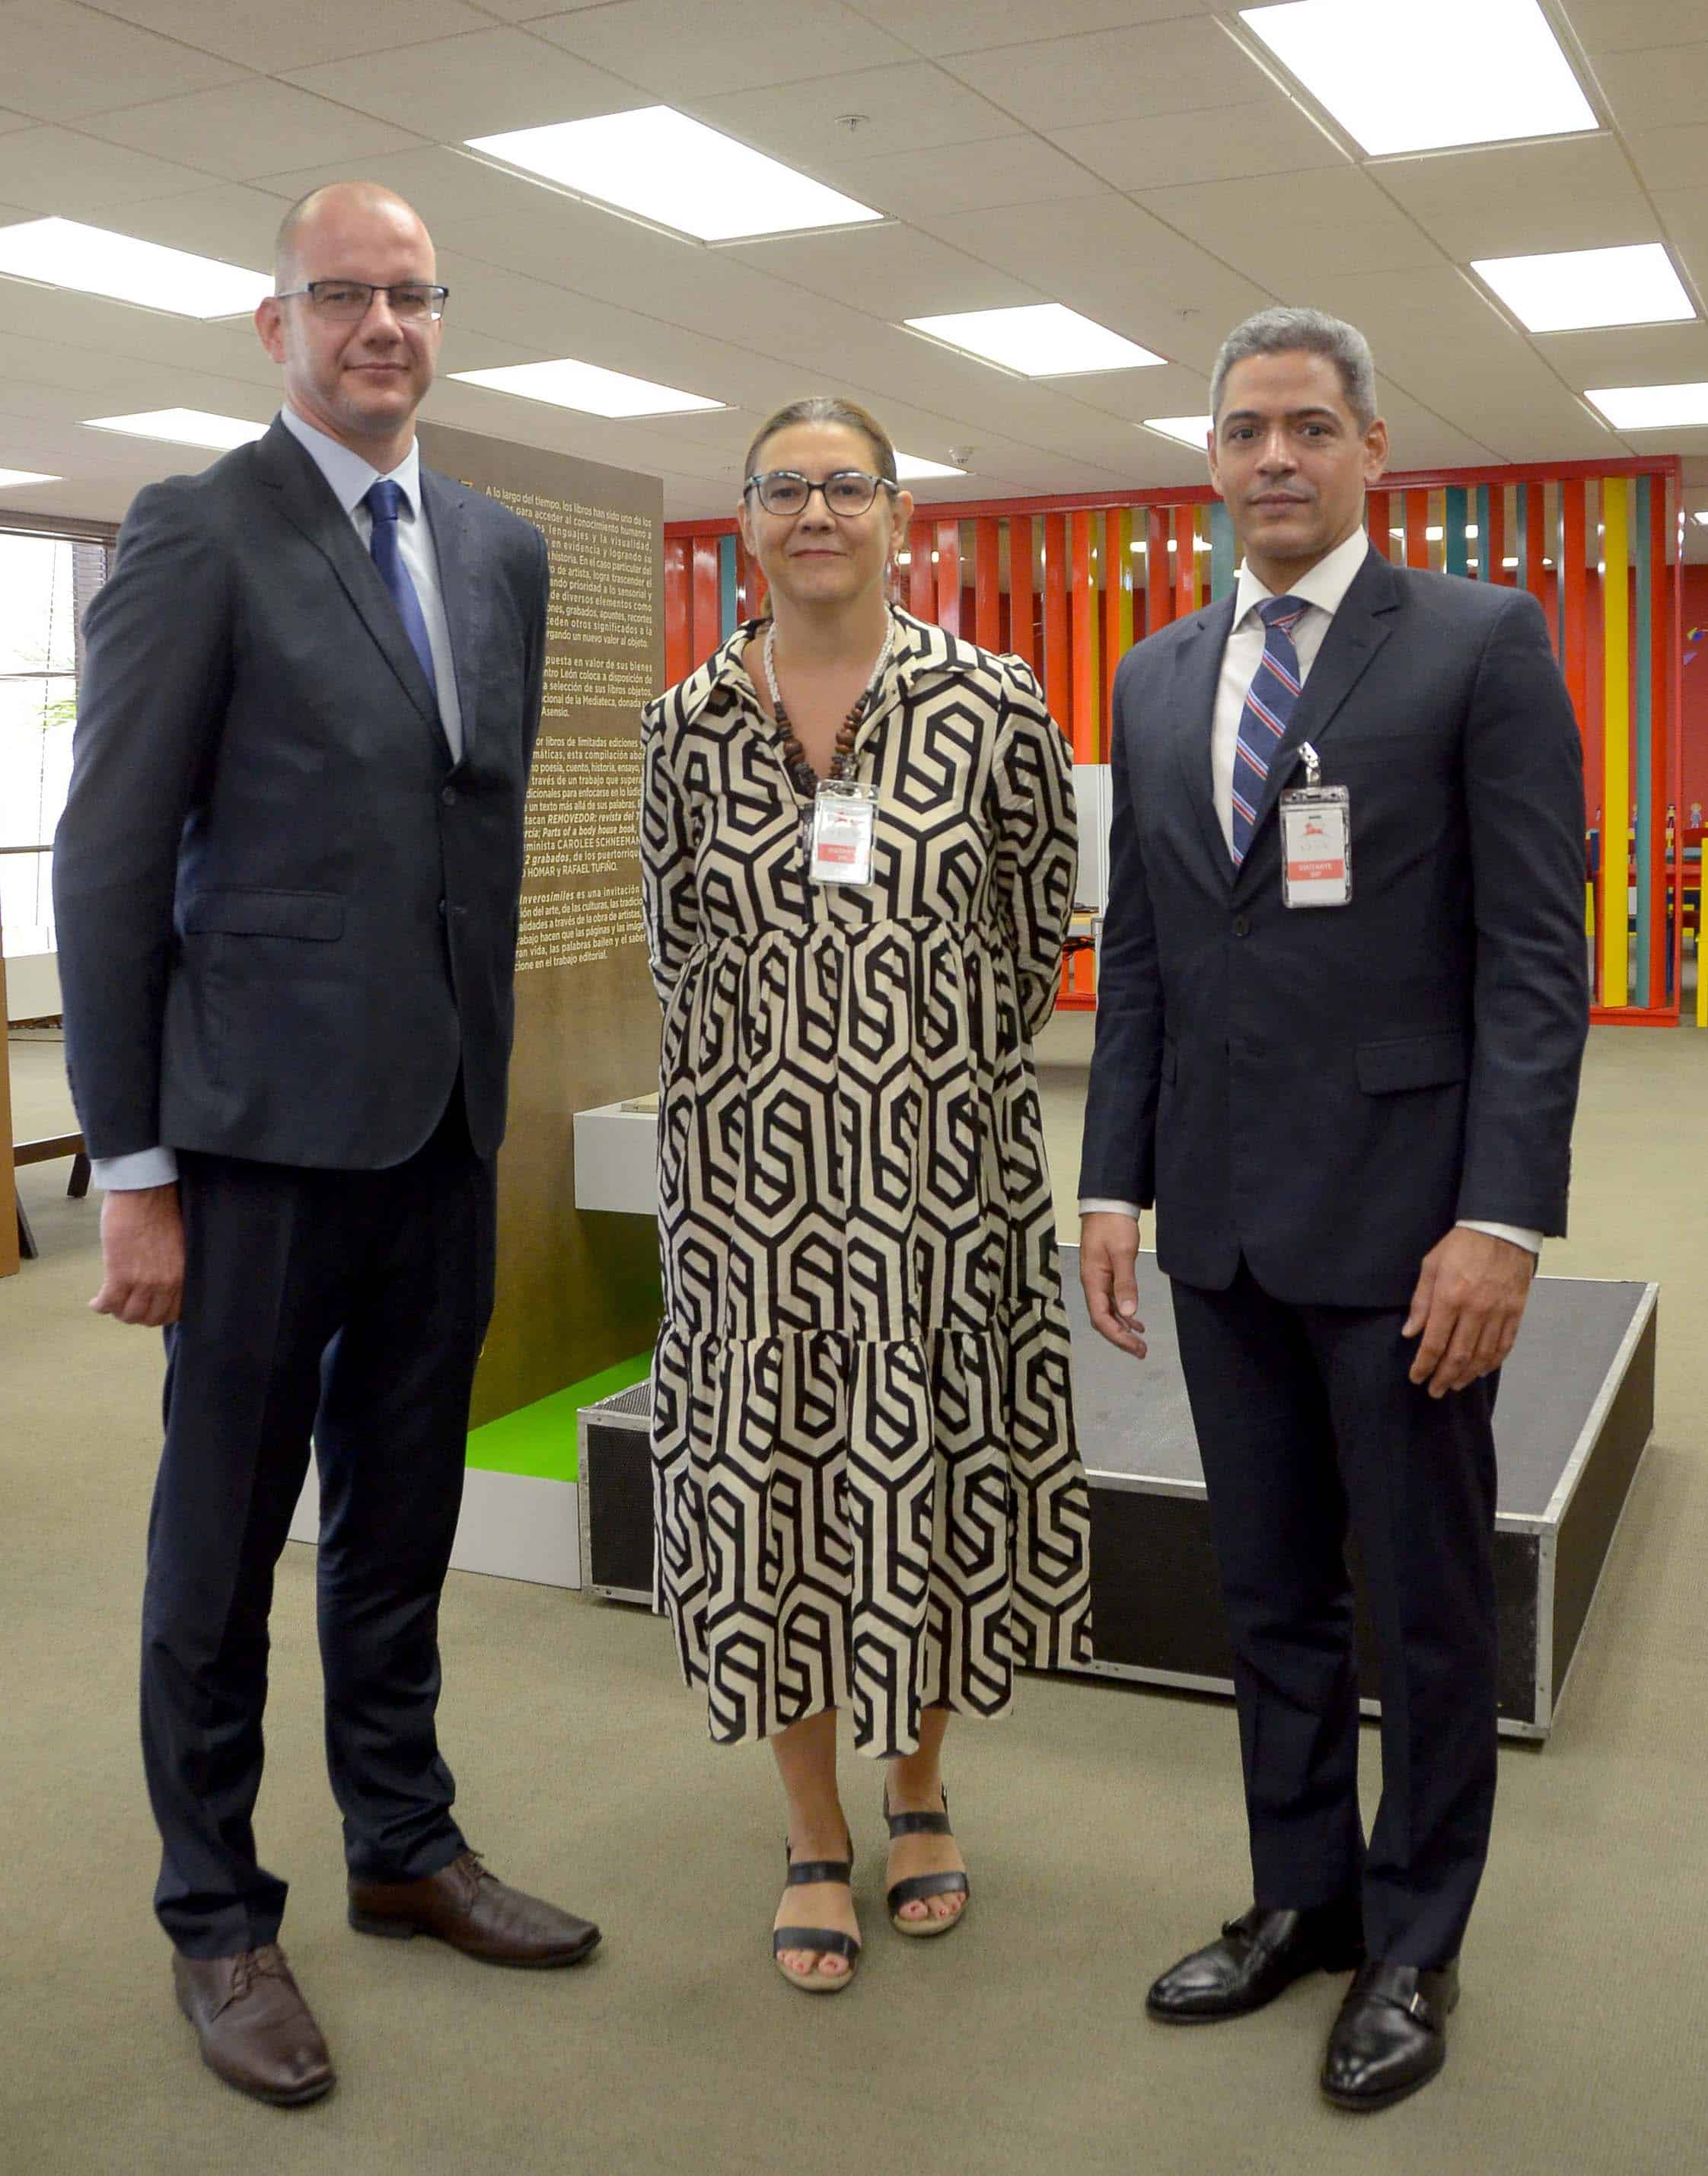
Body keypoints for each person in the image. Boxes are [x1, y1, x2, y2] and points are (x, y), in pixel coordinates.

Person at [53, 182, 599, 2111]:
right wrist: (131, 1168)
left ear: (443, 318)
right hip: (260, 1140)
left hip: (439, 1129)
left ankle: (402, 1842)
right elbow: (114, 863)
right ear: (271, 320)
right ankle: (216, 1908)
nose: (382, 323)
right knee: (219, 1543)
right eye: (344, 295)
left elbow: (476, 843)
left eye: (410, 295)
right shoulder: (203, 529)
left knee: (402, 1517)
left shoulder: (496, 546)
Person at [1077, 307, 1587, 2110]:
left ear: (1376, 449)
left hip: (1406, 1229)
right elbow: (1142, 950)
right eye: (1242, 430)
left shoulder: (1477, 641)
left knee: (1425, 1601)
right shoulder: (1151, 674)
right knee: (1271, 1588)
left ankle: (1417, 1935)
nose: (1273, 457)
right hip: (1215, 1223)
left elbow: (1535, 956)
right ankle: (1304, 1895)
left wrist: (1504, 1221)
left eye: (1308, 425)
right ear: (1208, 459)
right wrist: (1113, 1180)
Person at [640, 396, 1092, 1993]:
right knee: (774, 1497)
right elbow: (673, 945)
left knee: (937, 1476)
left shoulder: (992, 704)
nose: (815, 510)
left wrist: (908, 1073)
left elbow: (1039, 925)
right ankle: (815, 1823)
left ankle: (920, 1785)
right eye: (784, 489)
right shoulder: (685, 722)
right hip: (750, 1209)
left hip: (940, 1195)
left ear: (902, 512)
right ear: (744, 520)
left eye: (846, 486)